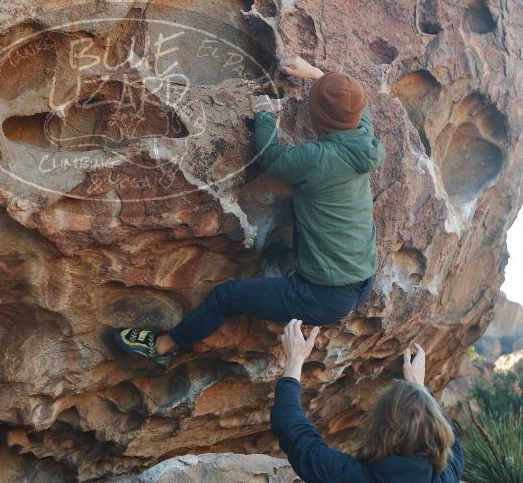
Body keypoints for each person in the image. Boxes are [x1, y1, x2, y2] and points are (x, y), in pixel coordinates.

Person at [113, 56, 386, 364]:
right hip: (362, 279)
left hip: (322, 294)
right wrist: (315, 75)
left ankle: (164, 346)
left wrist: (266, 116)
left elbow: (271, 156)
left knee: (226, 297)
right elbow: (350, 107)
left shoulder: (318, 158)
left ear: (318, 117)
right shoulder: (364, 138)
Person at [272, 319, 464, 483]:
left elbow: (294, 430)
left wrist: (295, 361)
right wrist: (419, 391)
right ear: (438, 434)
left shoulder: (351, 476)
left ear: (377, 428)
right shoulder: (445, 476)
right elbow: (454, 446)